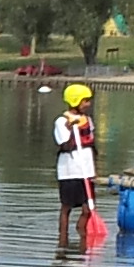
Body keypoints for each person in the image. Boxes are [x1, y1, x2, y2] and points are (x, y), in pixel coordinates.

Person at [52, 81, 100, 229]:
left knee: (87, 209)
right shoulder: (62, 121)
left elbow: (90, 144)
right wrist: (72, 129)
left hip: (86, 171)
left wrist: (94, 170)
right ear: (76, 102)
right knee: (67, 207)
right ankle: (63, 241)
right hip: (69, 172)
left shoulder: (88, 120)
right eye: (85, 101)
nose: (88, 104)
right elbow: (64, 143)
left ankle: (82, 234)